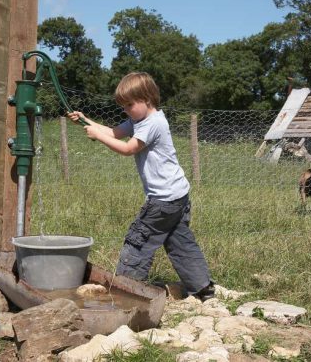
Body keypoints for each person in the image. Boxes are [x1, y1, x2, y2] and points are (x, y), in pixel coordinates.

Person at [68, 72, 214, 300]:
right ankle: (203, 288)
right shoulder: (139, 120)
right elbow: (115, 132)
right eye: (123, 106)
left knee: (138, 240)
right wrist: (86, 121)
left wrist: (97, 135)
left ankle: (126, 294)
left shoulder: (153, 123)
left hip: (163, 200)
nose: (125, 110)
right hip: (178, 196)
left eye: (129, 105)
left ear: (147, 99)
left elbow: (128, 149)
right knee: (179, 241)